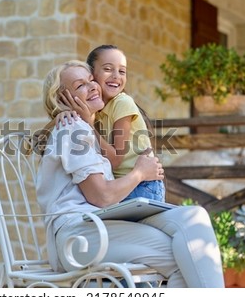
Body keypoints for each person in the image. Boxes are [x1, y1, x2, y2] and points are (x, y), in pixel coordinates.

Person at [36, 60, 225, 287]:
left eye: (91, 80)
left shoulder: (84, 127)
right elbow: (102, 196)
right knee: (188, 254)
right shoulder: (72, 128)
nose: (93, 86)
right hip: (79, 235)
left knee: (194, 216)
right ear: (63, 99)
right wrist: (139, 173)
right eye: (80, 86)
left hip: (101, 224)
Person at [58, 45, 165, 202]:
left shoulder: (122, 103)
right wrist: (64, 112)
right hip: (124, 185)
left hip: (142, 187)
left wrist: (88, 123)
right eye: (108, 69)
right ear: (92, 74)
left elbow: (115, 160)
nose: (116, 76)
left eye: (122, 71)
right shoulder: (97, 109)